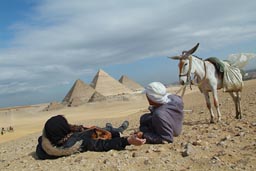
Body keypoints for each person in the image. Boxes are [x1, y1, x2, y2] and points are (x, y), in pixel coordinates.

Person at [36, 115, 146, 160]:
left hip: (93, 131)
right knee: (112, 131)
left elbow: (42, 140)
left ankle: (113, 127)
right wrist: (128, 140)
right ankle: (120, 129)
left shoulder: (46, 146)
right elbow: (102, 145)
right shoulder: (79, 142)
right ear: (64, 128)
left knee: (105, 128)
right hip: (98, 134)